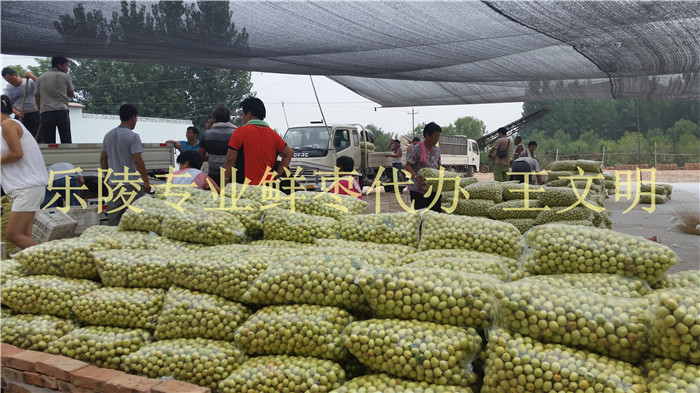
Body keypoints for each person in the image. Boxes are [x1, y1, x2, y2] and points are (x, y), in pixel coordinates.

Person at [0, 94, 48, 249]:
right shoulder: (7, 126)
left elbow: (16, 153)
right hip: (26, 188)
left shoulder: (8, 125)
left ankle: (50, 262)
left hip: (27, 188)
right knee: (24, 236)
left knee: (13, 235)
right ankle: (36, 267)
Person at [100, 104, 151, 226]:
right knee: (133, 220)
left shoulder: (108, 135)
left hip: (114, 184)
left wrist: (107, 177)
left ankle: (113, 243)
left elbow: (102, 159)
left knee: (114, 220)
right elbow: (138, 160)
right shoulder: (133, 137)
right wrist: (146, 181)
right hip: (131, 184)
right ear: (133, 118)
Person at [224, 97, 293, 186]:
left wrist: (224, 182)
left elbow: (230, 160)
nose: (242, 117)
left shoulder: (240, 132)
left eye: (243, 114)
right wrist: (275, 175)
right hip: (267, 187)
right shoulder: (273, 135)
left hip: (245, 187)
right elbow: (289, 153)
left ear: (249, 113)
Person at [35, 56, 74, 144]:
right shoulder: (65, 76)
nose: (66, 68)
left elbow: (37, 95)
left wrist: (39, 109)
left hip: (46, 111)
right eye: (65, 65)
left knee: (49, 141)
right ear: (59, 65)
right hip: (61, 110)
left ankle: (50, 157)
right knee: (65, 139)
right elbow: (71, 94)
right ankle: (67, 157)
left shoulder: (41, 77)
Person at [404, 122, 442, 212]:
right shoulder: (417, 149)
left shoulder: (437, 150)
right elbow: (408, 165)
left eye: (438, 136)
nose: (437, 139)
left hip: (433, 188)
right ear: (427, 136)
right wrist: (416, 177)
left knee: (436, 213)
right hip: (418, 189)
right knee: (420, 214)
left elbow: (438, 166)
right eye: (435, 136)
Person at [199, 106, 235, 186]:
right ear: (228, 118)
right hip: (233, 176)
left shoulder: (206, 134)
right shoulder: (237, 133)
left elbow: (200, 157)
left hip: (213, 176)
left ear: (214, 119)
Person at [2, 68, 40, 139]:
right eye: (7, 81)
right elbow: (8, 104)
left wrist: (32, 76)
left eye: (10, 79)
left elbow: (42, 85)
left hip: (35, 113)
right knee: (21, 137)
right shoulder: (8, 89)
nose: (10, 82)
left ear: (15, 75)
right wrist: (16, 112)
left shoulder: (30, 82)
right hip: (20, 116)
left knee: (37, 137)